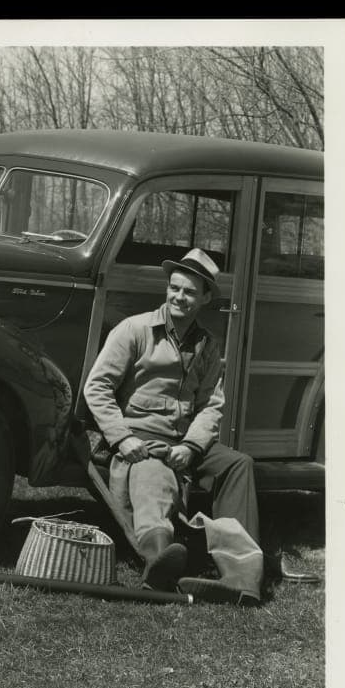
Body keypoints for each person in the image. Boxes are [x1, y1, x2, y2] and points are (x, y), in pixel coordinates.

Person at [83, 248, 281, 601]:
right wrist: (121, 437)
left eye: (189, 292)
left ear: (205, 298)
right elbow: (97, 387)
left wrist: (191, 446)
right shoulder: (135, 330)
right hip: (141, 437)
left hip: (185, 441)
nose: (179, 297)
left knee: (238, 465)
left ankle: (242, 575)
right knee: (152, 476)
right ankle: (160, 559)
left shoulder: (207, 346)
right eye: (174, 288)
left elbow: (211, 405)